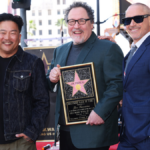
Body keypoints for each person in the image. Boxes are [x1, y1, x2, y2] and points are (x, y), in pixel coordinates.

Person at [46, 2, 123, 150]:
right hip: (65, 131)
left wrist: (100, 112)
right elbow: (48, 82)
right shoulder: (59, 51)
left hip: (94, 132)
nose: (76, 26)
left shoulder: (108, 48)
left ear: (92, 23)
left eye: (82, 21)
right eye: (71, 21)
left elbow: (116, 85)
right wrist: (52, 78)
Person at [99, 3, 150, 150]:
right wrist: (113, 47)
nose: (132, 24)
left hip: (145, 136)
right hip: (129, 134)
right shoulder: (133, 52)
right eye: (127, 21)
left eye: (138, 18)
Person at [0, 13, 49, 150]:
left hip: (20, 143)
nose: (7, 38)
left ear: (19, 37)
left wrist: (31, 132)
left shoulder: (33, 63)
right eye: (2, 32)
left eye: (13, 33)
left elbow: (42, 101)